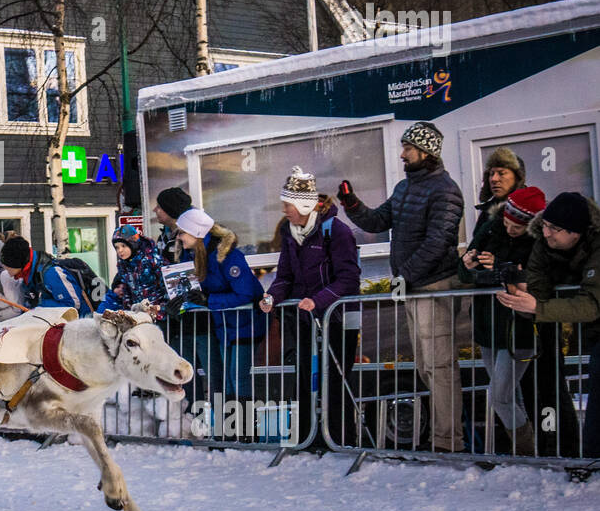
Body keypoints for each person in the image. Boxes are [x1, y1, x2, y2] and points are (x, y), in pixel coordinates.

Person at [338, 121, 466, 453]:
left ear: (425, 152)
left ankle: (448, 442)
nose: (402, 154)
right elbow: (378, 221)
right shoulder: (404, 188)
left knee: (439, 368)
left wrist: (403, 275)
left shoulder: (445, 190)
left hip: (434, 287)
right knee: (426, 367)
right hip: (414, 287)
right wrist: (351, 204)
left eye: (408, 148)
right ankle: (443, 439)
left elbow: (439, 243)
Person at [259, 168, 361, 447]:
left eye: (288, 204)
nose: (285, 210)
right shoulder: (289, 233)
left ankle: (340, 440)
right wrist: (272, 297)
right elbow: (285, 276)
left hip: (336, 319)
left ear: (303, 204)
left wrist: (320, 300)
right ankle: (307, 438)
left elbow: (349, 277)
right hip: (304, 320)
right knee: (304, 379)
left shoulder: (336, 231)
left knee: (335, 381)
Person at [497, 191, 599, 457]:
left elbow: (591, 304)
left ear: (576, 233)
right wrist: (521, 298)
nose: (547, 232)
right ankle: (588, 459)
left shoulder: (598, 244)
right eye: (544, 225)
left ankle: (588, 457)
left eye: (555, 228)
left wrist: (537, 307)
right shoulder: (543, 243)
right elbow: (538, 291)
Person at [459, 186, 544, 454]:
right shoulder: (491, 226)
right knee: (509, 394)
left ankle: (528, 449)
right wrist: (468, 264)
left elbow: (531, 278)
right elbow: (464, 271)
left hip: (518, 327)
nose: (510, 230)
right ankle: (524, 452)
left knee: (500, 396)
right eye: (507, 222)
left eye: (517, 228)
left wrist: (498, 266)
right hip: (487, 322)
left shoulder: (539, 241)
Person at [172, 207, 266, 428]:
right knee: (229, 380)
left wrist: (209, 301)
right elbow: (200, 292)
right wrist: (182, 301)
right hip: (224, 324)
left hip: (246, 322)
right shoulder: (195, 256)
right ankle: (232, 429)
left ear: (196, 233)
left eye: (182, 232)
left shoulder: (229, 256)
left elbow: (246, 293)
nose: (179, 237)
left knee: (238, 377)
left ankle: (245, 430)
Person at [0, 236, 90, 316]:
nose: (4, 267)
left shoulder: (51, 273)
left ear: (17, 262)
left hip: (79, 325)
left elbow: (73, 303)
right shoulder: (28, 277)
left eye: (7, 264)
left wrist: (39, 308)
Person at [97, 224, 169, 318]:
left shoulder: (152, 260)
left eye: (123, 246)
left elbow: (166, 286)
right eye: (117, 247)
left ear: (133, 244)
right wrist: (128, 312)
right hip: (138, 315)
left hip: (158, 315)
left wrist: (162, 309)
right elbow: (126, 291)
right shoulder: (123, 265)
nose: (120, 250)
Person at [153, 187, 194, 263]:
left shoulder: (191, 237)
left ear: (170, 210)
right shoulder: (164, 236)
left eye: (159, 207)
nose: (154, 210)